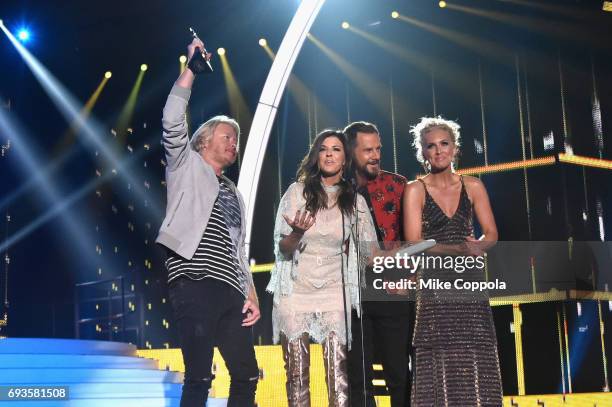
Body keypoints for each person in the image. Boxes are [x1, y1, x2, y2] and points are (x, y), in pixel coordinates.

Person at [156, 38, 260, 407]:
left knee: (248, 375)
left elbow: (238, 248)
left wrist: (251, 294)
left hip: (231, 290)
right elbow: (171, 120)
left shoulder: (234, 192)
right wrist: (191, 68)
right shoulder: (185, 164)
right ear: (203, 141)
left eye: (237, 138)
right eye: (227, 136)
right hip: (194, 279)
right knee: (199, 375)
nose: (235, 142)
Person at [267, 130, 377, 406]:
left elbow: (370, 252)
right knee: (296, 372)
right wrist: (296, 233)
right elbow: (283, 247)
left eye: (336, 149)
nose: (329, 154)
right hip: (296, 289)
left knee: (338, 373)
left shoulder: (355, 200)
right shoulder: (296, 192)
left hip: (333, 290)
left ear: (345, 159)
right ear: (316, 156)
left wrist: (400, 257)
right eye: (324, 149)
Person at [403, 117, 502, 406]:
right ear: (422, 152)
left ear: (455, 148)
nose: (438, 151)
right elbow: (413, 244)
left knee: (475, 350)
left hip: (469, 281)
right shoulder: (415, 190)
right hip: (433, 285)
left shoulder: (473, 186)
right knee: (439, 351)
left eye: (444, 144)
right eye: (430, 146)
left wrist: (480, 245)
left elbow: (493, 233)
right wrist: (461, 248)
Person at [344, 121, 413, 407]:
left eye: (378, 149)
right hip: (350, 291)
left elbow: (414, 240)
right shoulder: (336, 190)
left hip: (392, 286)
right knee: (358, 377)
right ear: (351, 152)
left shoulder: (398, 185)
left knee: (399, 372)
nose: (375, 155)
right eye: (367, 150)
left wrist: (409, 277)